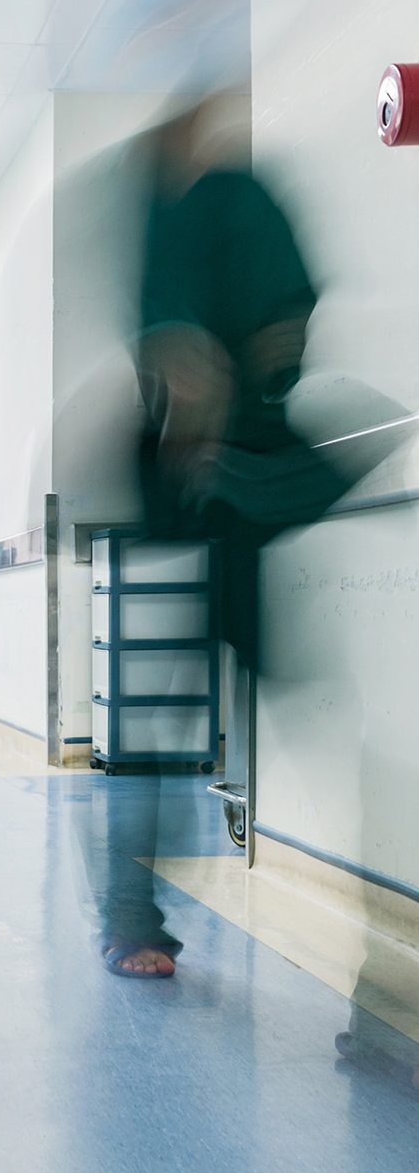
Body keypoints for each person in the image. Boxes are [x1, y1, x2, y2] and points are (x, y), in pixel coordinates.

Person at [97, 101, 402, 979]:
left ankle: (373, 957)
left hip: (250, 497)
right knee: (154, 726)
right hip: (179, 505)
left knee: (312, 704)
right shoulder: (156, 213)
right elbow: (163, 347)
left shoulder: (243, 198)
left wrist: (261, 362)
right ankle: (129, 917)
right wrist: (182, 374)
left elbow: (287, 315)